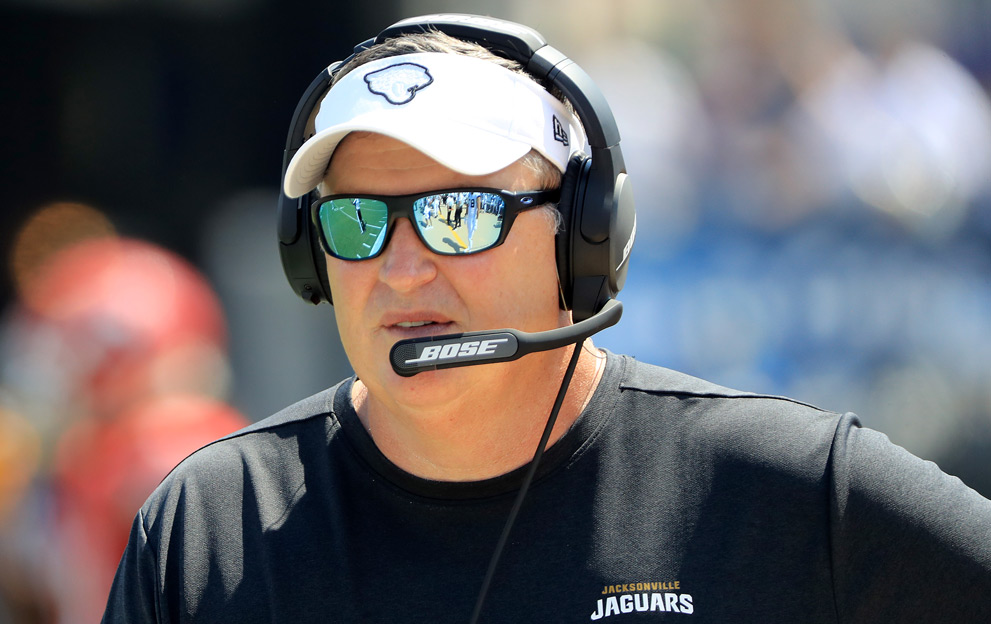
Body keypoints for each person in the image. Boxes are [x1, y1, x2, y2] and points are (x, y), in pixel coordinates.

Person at [103, 15, 991, 624]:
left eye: (459, 214)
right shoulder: (208, 528)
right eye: (356, 221)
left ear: (582, 235)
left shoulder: (788, 490)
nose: (401, 269)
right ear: (309, 253)